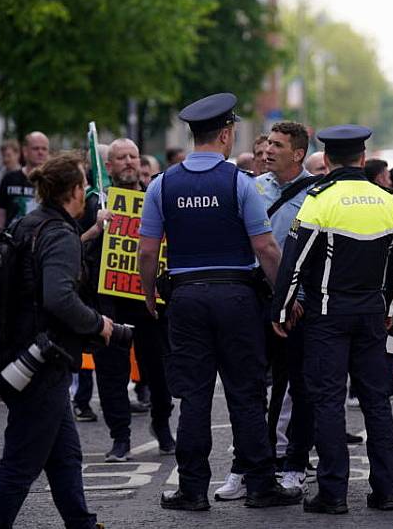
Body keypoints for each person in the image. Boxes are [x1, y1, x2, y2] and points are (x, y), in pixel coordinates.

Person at [138, 92, 300, 511]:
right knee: (246, 393)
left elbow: (146, 249)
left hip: (186, 298)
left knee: (194, 396)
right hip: (237, 297)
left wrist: (148, 295)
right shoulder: (240, 184)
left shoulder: (162, 183)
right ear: (226, 134)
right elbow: (265, 248)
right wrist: (283, 297)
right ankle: (261, 485)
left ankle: (192, 489)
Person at [0, 151, 116, 527]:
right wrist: (99, 324)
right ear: (72, 190)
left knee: (65, 456)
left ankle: (81, 523)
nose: (87, 191)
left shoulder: (30, 224)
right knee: (20, 465)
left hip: (23, 354)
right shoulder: (58, 234)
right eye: (84, 184)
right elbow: (59, 297)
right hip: (42, 361)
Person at [272, 124, 393, 514]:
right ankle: (387, 492)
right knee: (377, 403)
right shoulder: (386, 201)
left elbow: (293, 264)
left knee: (328, 402)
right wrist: (391, 312)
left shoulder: (319, 200)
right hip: (372, 316)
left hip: (327, 317)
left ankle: (332, 494)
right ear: (363, 159)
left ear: (327, 160)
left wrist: (280, 311)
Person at [79, 138, 175, 462]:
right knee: (111, 373)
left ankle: (162, 423)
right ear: (109, 166)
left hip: (148, 301)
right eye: (121, 158)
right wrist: (95, 229)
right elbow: (71, 245)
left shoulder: (157, 197)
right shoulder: (93, 205)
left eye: (133, 156)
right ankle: (120, 437)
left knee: (159, 370)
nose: (129, 162)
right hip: (108, 302)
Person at [250, 121, 319, 495]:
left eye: (277, 145)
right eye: (267, 145)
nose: (268, 151)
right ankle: (251, 465)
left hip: (298, 304)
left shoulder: (315, 195)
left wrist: (296, 299)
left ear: (298, 153)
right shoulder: (252, 188)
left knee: (300, 385)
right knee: (251, 385)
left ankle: (294, 463)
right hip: (257, 299)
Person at [0, 131, 50, 241]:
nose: (40, 152)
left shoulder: (53, 182)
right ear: (25, 151)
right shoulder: (9, 179)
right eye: (36, 148)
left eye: (44, 149)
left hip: (42, 244)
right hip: (12, 244)